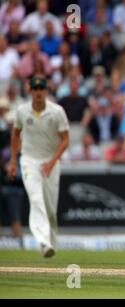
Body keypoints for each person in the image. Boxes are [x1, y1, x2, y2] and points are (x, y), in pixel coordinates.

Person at [7, 76, 69, 257]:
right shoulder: (21, 111)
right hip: (29, 160)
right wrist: (12, 160)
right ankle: (43, 241)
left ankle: (51, 242)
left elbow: (65, 140)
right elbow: (15, 134)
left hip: (51, 160)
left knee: (50, 208)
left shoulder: (57, 111)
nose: (39, 92)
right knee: (35, 198)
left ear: (46, 90)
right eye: (35, 89)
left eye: (42, 88)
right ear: (30, 91)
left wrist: (51, 162)